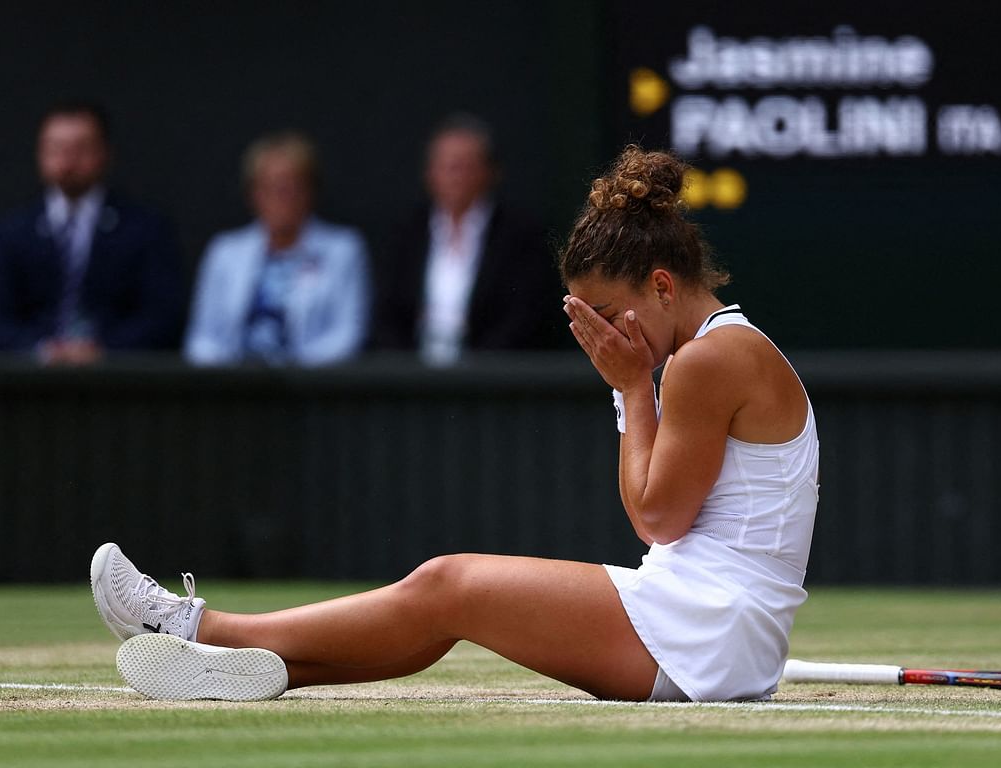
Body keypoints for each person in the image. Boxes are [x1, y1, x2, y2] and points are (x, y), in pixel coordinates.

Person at [89, 145, 819, 703]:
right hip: (712, 628)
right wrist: (635, 384)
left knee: (449, 585)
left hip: (710, 633)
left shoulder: (706, 362)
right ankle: (249, 668)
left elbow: (657, 518)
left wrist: (632, 390)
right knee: (442, 611)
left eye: (603, 314)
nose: (596, 335)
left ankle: (202, 629)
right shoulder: (713, 353)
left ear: (662, 286)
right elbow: (669, 525)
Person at [0, 103, 184, 362]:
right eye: (56, 148)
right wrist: (42, 350)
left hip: (120, 381)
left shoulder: (145, 228)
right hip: (28, 381)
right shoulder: (13, 232)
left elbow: (162, 316)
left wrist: (104, 351)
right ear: (40, 153)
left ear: (105, 153)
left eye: (80, 148)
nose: (67, 160)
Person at [372, 113, 563, 365]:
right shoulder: (405, 233)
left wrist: (475, 367)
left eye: (463, 166)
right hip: (413, 381)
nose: (454, 176)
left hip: (490, 381)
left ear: (489, 172)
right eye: (446, 166)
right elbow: (386, 313)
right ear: (430, 173)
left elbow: (524, 316)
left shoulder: (520, 235)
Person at [184, 132, 369, 366]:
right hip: (232, 390)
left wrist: (288, 374)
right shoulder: (226, 251)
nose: (280, 198)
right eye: (269, 188)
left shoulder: (343, 250)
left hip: (310, 388)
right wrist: (228, 376)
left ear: (310, 191)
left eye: (289, 188)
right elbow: (202, 339)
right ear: (253, 194)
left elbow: (347, 336)